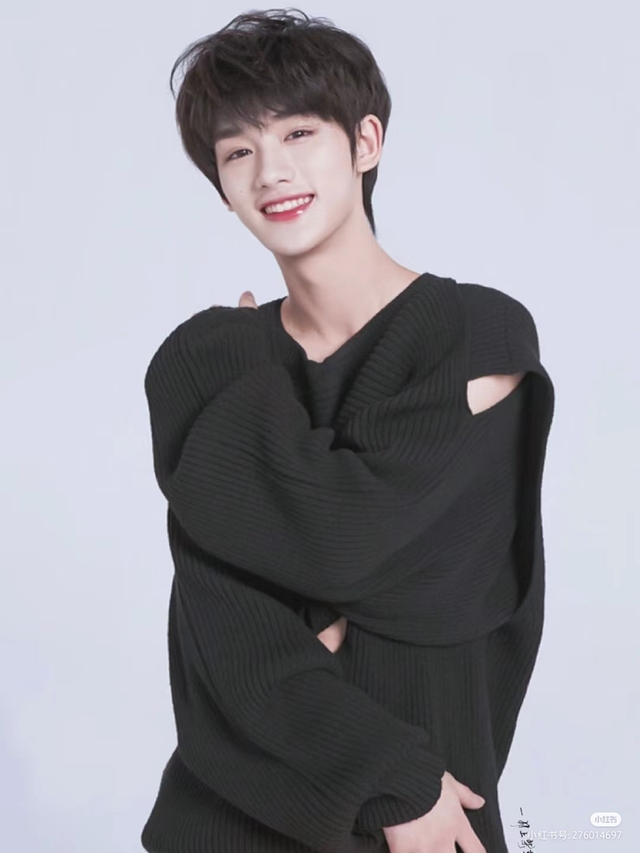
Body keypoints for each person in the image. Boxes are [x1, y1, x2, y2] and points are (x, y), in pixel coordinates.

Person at [141, 9, 555, 853]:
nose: (271, 171)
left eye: (298, 132)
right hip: (224, 823)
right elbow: (221, 626)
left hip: (429, 816)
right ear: (220, 183)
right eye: (238, 151)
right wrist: (385, 771)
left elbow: (361, 552)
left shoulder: (473, 335)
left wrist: (284, 578)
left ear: (366, 141)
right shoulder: (206, 362)